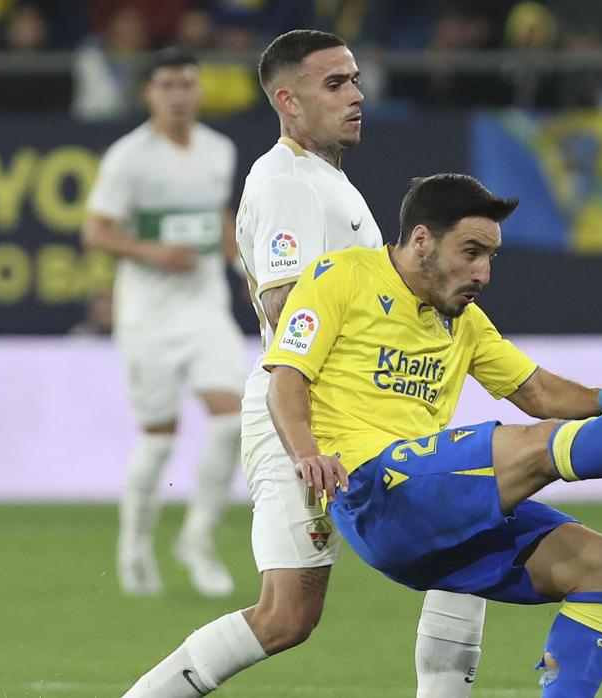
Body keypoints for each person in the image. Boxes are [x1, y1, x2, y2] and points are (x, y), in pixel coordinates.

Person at [264, 173, 602, 696]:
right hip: (374, 485)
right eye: (471, 252)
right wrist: (306, 451)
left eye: (491, 257)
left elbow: (535, 390)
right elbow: (285, 377)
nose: (483, 273)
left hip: (427, 515)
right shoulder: (342, 276)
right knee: (534, 446)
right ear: (421, 239)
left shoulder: (464, 322)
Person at [121, 30, 490, 698]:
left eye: (354, 80)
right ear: (289, 102)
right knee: (288, 614)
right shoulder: (290, 182)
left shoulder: (326, 183)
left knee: (461, 536)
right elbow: (284, 301)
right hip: (309, 419)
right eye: (336, 84)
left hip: (354, 415)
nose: (356, 96)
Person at [81, 47, 244, 599]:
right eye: (168, 85)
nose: (178, 95)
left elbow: (216, 215)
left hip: (203, 308)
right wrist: (152, 252)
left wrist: (243, 265)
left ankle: (196, 537)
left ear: (199, 90)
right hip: (148, 315)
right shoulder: (129, 158)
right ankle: (133, 546)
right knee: (157, 439)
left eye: (187, 84)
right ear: (150, 92)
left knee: (232, 422)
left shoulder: (218, 151)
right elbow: (97, 231)